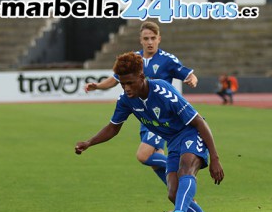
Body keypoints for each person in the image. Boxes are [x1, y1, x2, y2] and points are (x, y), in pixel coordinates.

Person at [76, 52, 231, 212]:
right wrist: (89, 142)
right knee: (174, 194)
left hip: (191, 132)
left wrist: (215, 159)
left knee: (186, 169)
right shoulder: (126, 100)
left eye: (130, 83)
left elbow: (199, 121)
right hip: (173, 141)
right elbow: (113, 127)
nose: (127, 88)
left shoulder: (163, 91)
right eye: (123, 84)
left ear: (142, 76)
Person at [84, 21, 198, 186]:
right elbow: (115, 79)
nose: (150, 42)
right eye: (146, 38)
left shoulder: (167, 60)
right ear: (140, 40)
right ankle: (183, 195)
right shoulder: (134, 61)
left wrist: (192, 79)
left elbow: (188, 73)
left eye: (153, 38)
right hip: (145, 117)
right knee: (154, 163)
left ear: (159, 39)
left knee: (143, 155)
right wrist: (98, 86)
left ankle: (182, 170)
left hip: (163, 116)